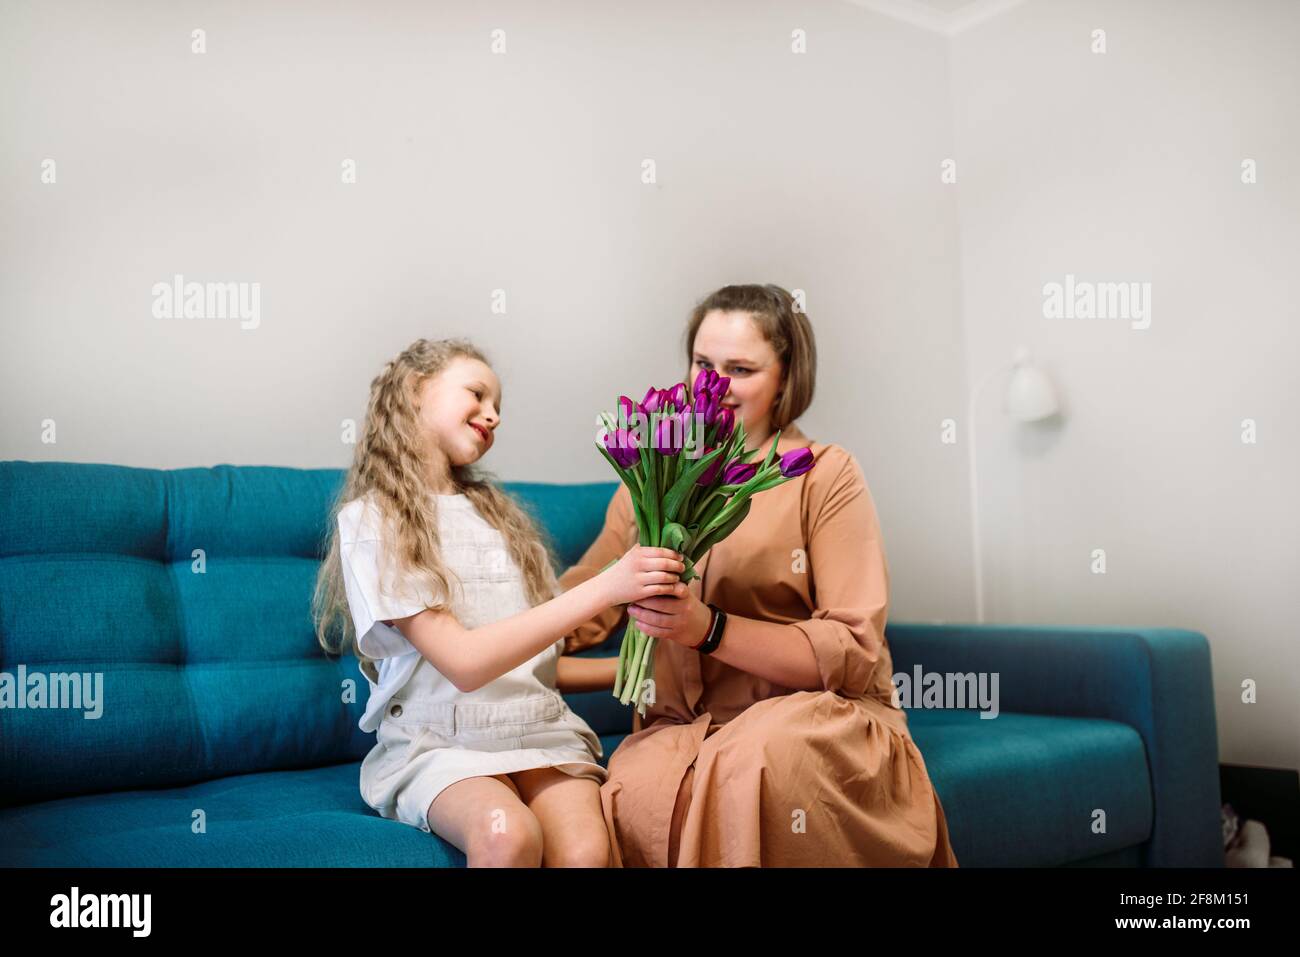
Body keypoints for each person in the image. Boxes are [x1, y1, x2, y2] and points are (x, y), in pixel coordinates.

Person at [560, 284, 960, 867]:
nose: (712, 387)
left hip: (816, 717)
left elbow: (852, 650)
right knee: (637, 787)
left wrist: (708, 628)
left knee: (756, 757)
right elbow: (582, 605)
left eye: (740, 369)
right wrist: (474, 625)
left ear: (785, 378)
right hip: (684, 729)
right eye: (702, 364)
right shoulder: (647, 481)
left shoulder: (826, 476)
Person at [312, 336, 687, 867]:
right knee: (507, 835)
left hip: (538, 728)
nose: (493, 415)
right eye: (478, 394)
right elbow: (465, 665)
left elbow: (535, 669)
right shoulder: (376, 521)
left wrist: (640, 671)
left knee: (586, 853)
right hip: (441, 740)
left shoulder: (504, 521)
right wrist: (606, 587)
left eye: (499, 407)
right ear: (417, 390)